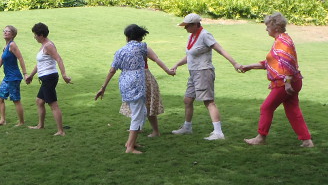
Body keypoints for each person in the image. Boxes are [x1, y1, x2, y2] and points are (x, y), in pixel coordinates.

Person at [95, 24, 174, 153]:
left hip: (125, 82)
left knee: (141, 111)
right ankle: (130, 147)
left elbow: (112, 70)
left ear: (127, 37)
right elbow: (154, 57)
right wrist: (168, 71)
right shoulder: (142, 47)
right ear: (140, 37)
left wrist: (103, 87)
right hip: (137, 82)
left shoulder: (120, 51)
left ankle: (131, 142)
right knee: (138, 114)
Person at [240, 12, 314, 147]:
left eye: (268, 26)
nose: (266, 28)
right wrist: (249, 66)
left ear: (276, 28)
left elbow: (288, 63)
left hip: (285, 83)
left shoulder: (282, 42)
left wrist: (287, 83)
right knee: (293, 110)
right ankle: (307, 140)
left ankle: (261, 138)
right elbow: (270, 63)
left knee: (266, 108)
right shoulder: (281, 40)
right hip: (291, 82)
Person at [170, 13, 242, 140]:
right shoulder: (192, 36)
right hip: (193, 72)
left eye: (187, 26)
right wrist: (177, 64)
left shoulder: (205, 35)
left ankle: (218, 132)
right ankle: (187, 127)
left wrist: (234, 63)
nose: (185, 28)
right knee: (187, 100)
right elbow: (190, 55)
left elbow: (220, 49)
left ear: (195, 25)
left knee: (208, 101)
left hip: (203, 72)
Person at [25, 22, 71, 136]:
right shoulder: (43, 45)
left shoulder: (49, 45)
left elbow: (59, 59)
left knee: (53, 104)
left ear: (41, 35)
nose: (34, 37)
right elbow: (39, 64)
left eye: (35, 34)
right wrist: (31, 75)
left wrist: (64, 75)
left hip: (49, 77)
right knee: (39, 101)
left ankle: (61, 131)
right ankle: (40, 125)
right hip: (45, 77)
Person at [0, 25, 27, 126]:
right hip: (7, 77)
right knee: (0, 98)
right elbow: (1, 61)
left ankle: (21, 122)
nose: (5, 32)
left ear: (12, 34)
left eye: (8, 31)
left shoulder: (12, 45)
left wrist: (25, 73)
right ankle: (2, 120)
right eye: (4, 31)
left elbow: (20, 58)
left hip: (14, 77)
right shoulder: (6, 46)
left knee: (16, 100)